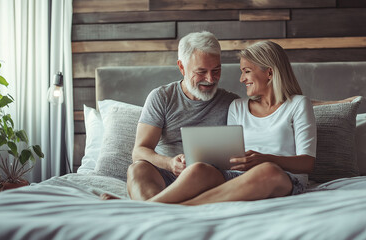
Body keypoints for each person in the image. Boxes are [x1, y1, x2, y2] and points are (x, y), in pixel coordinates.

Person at [174, 40, 317, 205]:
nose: (242, 79)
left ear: (269, 73)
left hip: (285, 178)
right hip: (239, 177)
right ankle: (150, 206)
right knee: (199, 169)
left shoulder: (298, 104)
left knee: (267, 170)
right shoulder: (237, 106)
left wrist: (265, 159)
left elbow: (307, 163)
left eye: (247, 71)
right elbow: (230, 157)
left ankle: (183, 207)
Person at [104, 31, 239, 202]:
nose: (210, 78)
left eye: (216, 70)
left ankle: (144, 207)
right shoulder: (162, 97)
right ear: (182, 67)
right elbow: (139, 151)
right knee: (137, 169)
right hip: (166, 178)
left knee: (199, 170)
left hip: (208, 180)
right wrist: (169, 163)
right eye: (201, 71)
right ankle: (161, 204)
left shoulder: (232, 103)